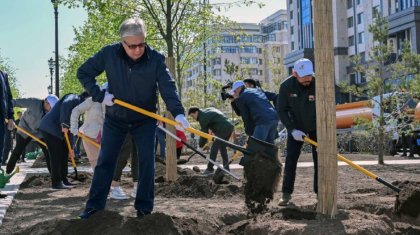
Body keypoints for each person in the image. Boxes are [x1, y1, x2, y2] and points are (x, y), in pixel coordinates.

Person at [77, 18, 189, 219]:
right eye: (132, 46)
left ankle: (144, 209)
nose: (138, 50)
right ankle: (94, 208)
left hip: (144, 120)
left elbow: (167, 87)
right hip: (116, 118)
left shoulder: (155, 59)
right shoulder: (108, 54)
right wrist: (100, 95)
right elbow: (83, 73)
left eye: (141, 44)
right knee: (106, 162)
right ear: (122, 43)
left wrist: (178, 112)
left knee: (147, 163)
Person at [277, 58, 318, 206]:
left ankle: (320, 194)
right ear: (295, 74)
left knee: (320, 161)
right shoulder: (286, 86)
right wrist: (291, 129)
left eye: (310, 75)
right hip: (296, 128)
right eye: (304, 76)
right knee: (290, 160)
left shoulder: (318, 84)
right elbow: (281, 110)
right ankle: (286, 194)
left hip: (317, 127)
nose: (308, 79)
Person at [39, 92, 90, 190]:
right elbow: (66, 104)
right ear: (87, 98)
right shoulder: (74, 98)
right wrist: (65, 123)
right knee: (56, 155)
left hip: (58, 131)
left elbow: (71, 129)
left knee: (64, 153)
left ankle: (64, 179)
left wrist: (70, 147)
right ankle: (56, 183)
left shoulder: (78, 107)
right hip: (50, 128)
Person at [6, 96, 59, 174]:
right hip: (24, 129)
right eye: (51, 107)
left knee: (48, 149)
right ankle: (8, 172)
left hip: (38, 133)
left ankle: (54, 174)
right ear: (46, 102)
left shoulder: (51, 113)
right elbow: (14, 102)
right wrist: (6, 112)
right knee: (18, 150)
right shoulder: (34, 102)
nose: (52, 109)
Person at [188, 107, 234, 176]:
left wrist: (200, 146)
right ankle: (226, 169)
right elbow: (215, 119)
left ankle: (210, 169)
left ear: (196, 112)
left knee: (214, 148)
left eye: (192, 116)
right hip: (229, 126)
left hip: (223, 128)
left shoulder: (202, 117)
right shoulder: (206, 111)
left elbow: (204, 134)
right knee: (222, 148)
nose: (193, 118)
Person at [0, 70, 15, 167]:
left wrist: (10, 116)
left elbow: (9, 97)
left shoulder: (3, 75)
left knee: (1, 146)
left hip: (2, 118)